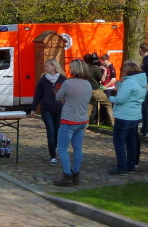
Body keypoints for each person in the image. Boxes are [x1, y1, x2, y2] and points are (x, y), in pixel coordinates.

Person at [53, 59, 92, 187]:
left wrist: (63, 97)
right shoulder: (88, 84)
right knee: (78, 148)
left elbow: (58, 98)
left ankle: (67, 175)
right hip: (82, 119)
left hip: (69, 119)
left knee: (62, 148)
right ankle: (76, 174)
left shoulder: (68, 83)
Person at [108, 60, 146, 175]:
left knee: (119, 141)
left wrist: (110, 98)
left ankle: (122, 166)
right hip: (135, 115)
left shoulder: (129, 83)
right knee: (131, 141)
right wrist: (120, 85)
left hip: (124, 116)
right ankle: (131, 165)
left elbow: (120, 99)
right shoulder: (140, 82)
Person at [30, 59, 67, 165]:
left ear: (54, 66)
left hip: (59, 109)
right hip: (46, 109)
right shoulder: (43, 80)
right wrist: (33, 108)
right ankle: (53, 156)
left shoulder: (62, 79)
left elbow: (68, 94)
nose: (45, 68)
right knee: (50, 131)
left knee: (58, 132)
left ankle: (58, 149)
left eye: (47, 66)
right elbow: (38, 94)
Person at [85, 53, 111, 126]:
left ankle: (85, 125)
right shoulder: (95, 68)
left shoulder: (84, 69)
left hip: (87, 90)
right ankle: (113, 122)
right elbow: (102, 79)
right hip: (96, 90)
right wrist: (105, 71)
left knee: (88, 108)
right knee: (108, 104)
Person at [139, 43, 148, 139]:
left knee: (146, 110)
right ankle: (144, 129)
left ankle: (145, 130)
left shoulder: (146, 61)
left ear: (141, 49)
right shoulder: (145, 61)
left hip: (146, 88)